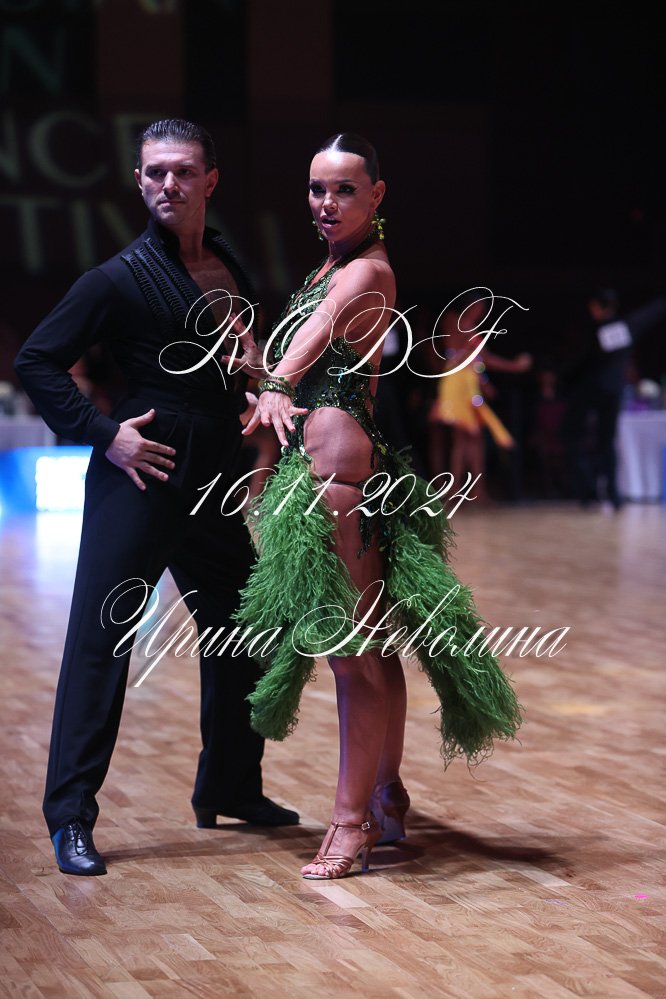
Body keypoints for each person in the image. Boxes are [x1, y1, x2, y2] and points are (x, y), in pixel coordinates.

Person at [231, 133, 522, 880]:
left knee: (350, 656)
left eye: (344, 190)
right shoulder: (331, 264)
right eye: (316, 189)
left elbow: (322, 330)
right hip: (330, 466)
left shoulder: (367, 270)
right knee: (370, 649)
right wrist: (257, 363)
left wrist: (276, 380)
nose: (326, 203)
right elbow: (311, 352)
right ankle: (386, 797)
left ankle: (350, 823)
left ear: (377, 196)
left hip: (338, 475)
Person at [14, 118, 299, 878]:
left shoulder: (228, 263)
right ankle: (70, 817)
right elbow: (37, 361)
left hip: (213, 477)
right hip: (142, 475)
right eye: (154, 172)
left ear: (210, 180)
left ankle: (229, 787)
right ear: (139, 180)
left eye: (182, 171)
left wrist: (251, 377)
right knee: (101, 642)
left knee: (244, 631)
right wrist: (104, 434)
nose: (167, 184)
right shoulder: (116, 277)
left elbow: (226, 363)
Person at [561, 287, 666, 509]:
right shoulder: (628, 326)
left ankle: (589, 492)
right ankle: (612, 494)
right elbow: (652, 312)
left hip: (589, 392)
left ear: (597, 307)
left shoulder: (592, 331)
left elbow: (578, 363)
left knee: (576, 438)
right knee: (606, 441)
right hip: (613, 392)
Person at [427, 295, 532, 500]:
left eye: (483, 308)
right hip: (456, 383)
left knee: (474, 438)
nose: (481, 311)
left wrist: (484, 382)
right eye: (478, 306)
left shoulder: (471, 328)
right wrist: (515, 366)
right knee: (462, 437)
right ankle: (456, 488)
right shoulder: (453, 320)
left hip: (469, 384)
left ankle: (476, 488)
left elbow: (478, 361)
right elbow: (477, 357)